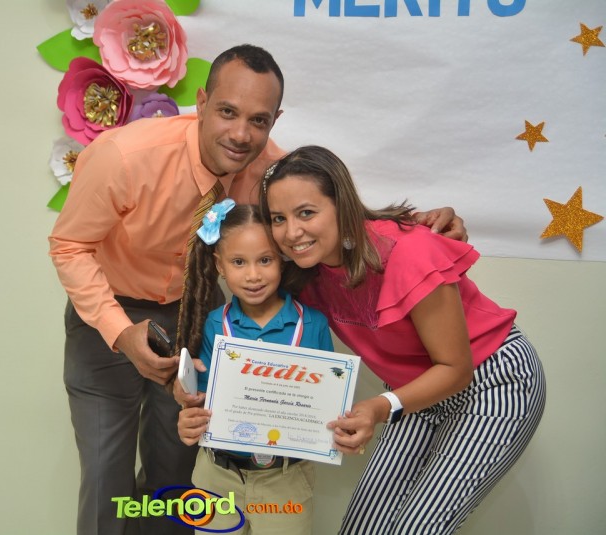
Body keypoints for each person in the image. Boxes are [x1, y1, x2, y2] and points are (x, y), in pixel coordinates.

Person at [49, 43, 464, 535]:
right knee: (106, 478)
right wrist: (120, 331)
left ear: (275, 120)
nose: (242, 134)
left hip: (195, 317)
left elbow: (327, 213)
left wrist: (414, 226)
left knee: (176, 472)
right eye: (228, 112)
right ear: (201, 102)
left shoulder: (270, 170)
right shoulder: (123, 156)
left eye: (259, 120)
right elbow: (69, 246)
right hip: (108, 315)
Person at [259, 145, 546, 535]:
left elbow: (455, 369)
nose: (292, 232)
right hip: (415, 391)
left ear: (342, 206)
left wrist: (378, 408)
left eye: (306, 213)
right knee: (362, 526)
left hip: (492, 380)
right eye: (278, 218)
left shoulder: (408, 251)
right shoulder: (304, 273)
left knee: (417, 527)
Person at [176, 201, 333, 534]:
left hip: (285, 480)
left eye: (265, 260)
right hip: (216, 477)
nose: (253, 275)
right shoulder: (212, 325)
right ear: (219, 265)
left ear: (283, 258)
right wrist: (189, 418)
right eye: (238, 262)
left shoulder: (313, 325)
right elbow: (200, 401)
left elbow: (328, 405)